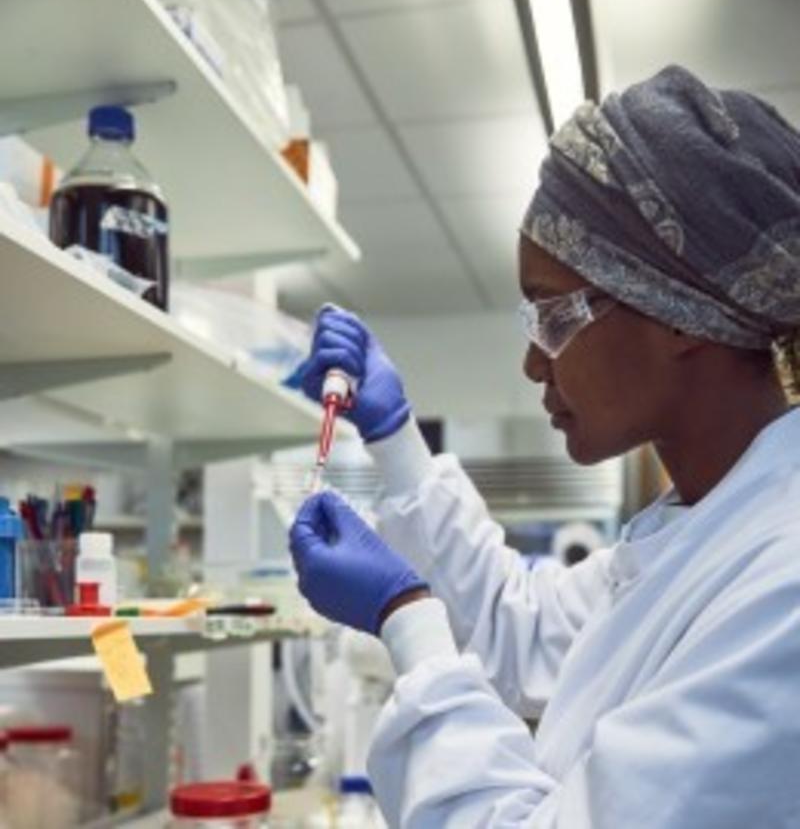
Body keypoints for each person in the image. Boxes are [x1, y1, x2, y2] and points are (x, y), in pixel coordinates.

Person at [289, 65, 800, 828]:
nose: (535, 361)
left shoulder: (782, 583)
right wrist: (394, 436)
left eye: (554, 314)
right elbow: (515, 624)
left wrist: (404, 616)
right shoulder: (698, 526)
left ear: (682, 314)